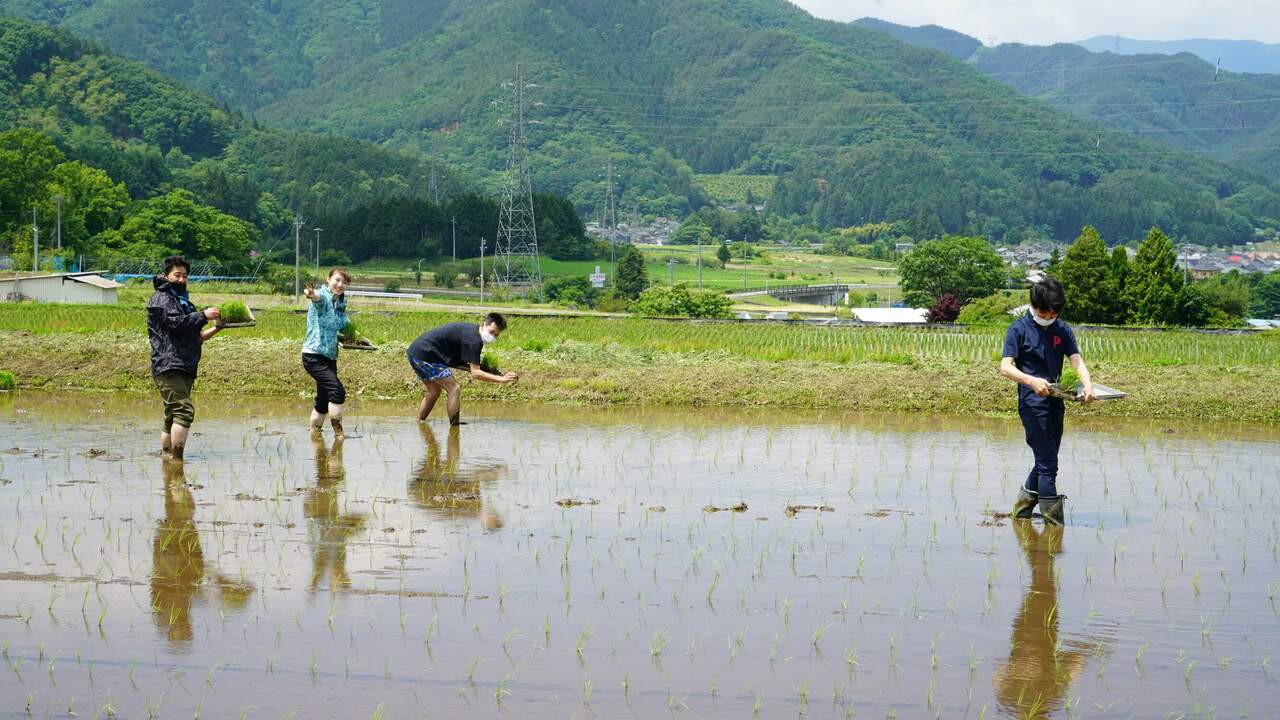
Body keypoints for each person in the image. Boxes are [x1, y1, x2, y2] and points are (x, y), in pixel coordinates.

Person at [999, 277, 1096, 525]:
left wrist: (1087, 384)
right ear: (1034, 304)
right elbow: (1005, 368)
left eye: (1054, 312)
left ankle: (1021, 513)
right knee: (1048, 465)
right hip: (1032, 404)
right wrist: (1032, 381)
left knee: (1045, 458)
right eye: (1045, 311)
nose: (1049, 315)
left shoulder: (1061, 329)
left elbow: (1076, 360)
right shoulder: (1018, 330)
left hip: (1056, 402)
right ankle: (1054, 529)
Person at [147, 256, 221, 460]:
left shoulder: (182, 301)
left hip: (184, 364)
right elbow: (176, 323)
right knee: (183, 410)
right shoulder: (162, 297)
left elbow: (196, 337)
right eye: (176, 275)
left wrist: (217, 327)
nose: (181, 279)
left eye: (185, 276)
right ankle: (177, 460)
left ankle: (167, 458)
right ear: (165, 276)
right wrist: (204, 315)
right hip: (169, 363)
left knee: (172, 414)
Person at [406, 312, 519, 425]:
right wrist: (501, 380)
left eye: (496, 335)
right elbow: (475, 373)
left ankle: (420, 422)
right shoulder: (473, 341)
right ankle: (454, 426)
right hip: (425, 355)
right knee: (454, 388)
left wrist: (497, 373)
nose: (492, 337)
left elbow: (467, 365)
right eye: (491, 332)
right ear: (483, 324)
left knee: (435, 390)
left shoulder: (472, 332)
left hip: (416, 352)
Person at [302, 268, 352, 438]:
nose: (340, 285)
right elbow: (317, 299)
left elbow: (341, 326)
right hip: (314, 355)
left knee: (323, 400)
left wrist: (356, 339)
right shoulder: (323, 296)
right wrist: (311, 294)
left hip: (329, 356)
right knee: (337, 391)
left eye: (344, 282)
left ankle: (314, 434)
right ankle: (339, 434)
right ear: (328, 279)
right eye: (337, 280)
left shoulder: (340, 302)